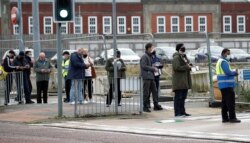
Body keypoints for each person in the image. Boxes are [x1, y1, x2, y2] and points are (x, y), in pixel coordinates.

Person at [216, 48, 240, 123]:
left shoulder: (220, 61)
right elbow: (227, 72)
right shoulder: (223, 61)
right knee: (230, 102)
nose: (229, 55)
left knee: (225, 102)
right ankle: (232, 118)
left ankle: (225, 118)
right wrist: (234, 73)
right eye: (228, 54)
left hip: (223, 85)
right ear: (224, 53)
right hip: (227, 85)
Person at [140, 43, 163, 112]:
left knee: (155, 91)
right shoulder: (144, 56)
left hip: (151, 76)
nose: (153, 49)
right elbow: (143, 66)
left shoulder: (149, 56)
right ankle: (145, 106)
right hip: (146, 76)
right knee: (146, 92)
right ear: (148, 48)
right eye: (152, 48)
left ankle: (156, 104)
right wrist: (153, 68)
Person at [172, 43, 192, 117]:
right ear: (179, 48)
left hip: (184, 80)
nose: (184, 48)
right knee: (178, 97)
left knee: (183, 97)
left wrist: (189, 65)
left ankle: (183, 112)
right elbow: (176, 67)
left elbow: (187, 64)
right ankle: (177, 113)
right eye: (182, 47)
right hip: (179, 81)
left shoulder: (183, 56)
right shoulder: (176, 57)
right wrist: (186, 67)